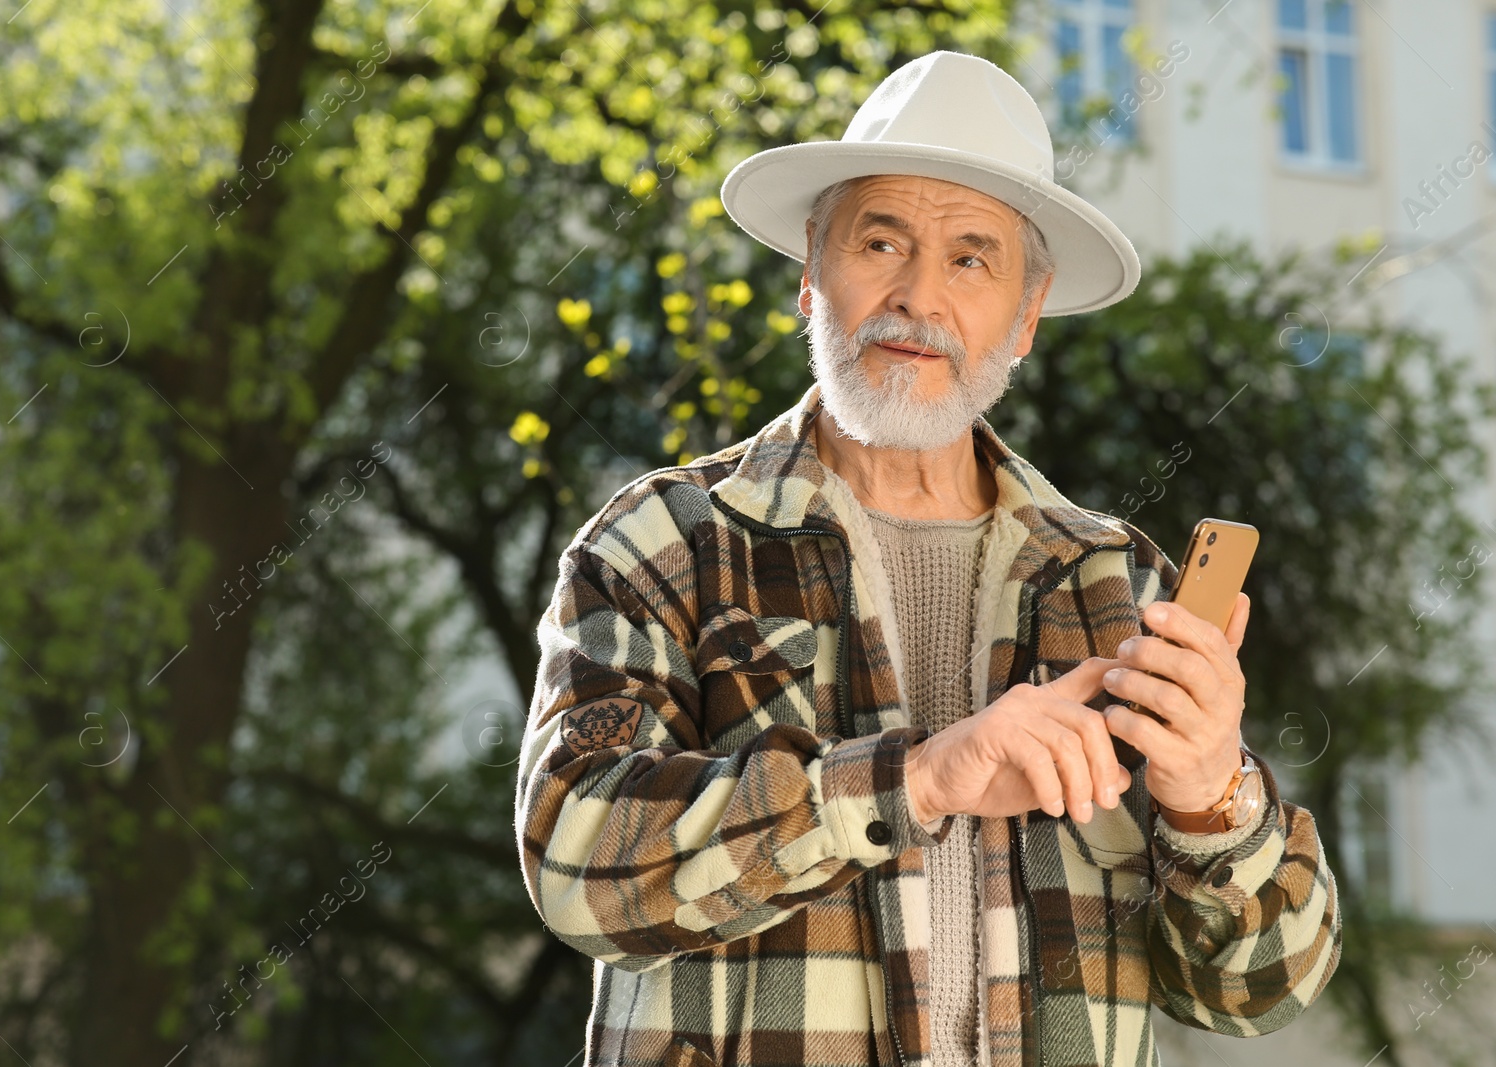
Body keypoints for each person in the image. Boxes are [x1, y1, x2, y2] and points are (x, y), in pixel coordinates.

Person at [515, 50, 1341, 1067]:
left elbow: (1260, 991)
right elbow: (578, 864)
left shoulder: (1119, 583)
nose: (918, 295)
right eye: (880, 240)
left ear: (1025, 315)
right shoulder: (665, 539)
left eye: (971, 257)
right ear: (811, 276)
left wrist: (1212, 794)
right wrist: (923, 775)